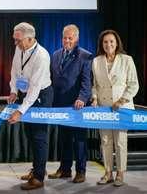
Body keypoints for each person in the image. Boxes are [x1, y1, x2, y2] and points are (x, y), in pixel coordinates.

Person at [7, 22, 53, 190]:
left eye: (18, 40)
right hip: (26, 93)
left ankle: (39, 178)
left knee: (39, 136)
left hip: (41, 95)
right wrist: (13, 91)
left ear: (30, 39)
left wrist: (19, 111)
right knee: (30, 134)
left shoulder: (42, 55)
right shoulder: (19, 48)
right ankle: (37, 169)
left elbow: (34, 88)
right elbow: (14, 71)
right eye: (15, 40)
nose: (15, 43)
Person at [92, 29, 139, 187]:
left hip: (121, 107)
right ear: (102, 44)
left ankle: (120, 173)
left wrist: (121, 101)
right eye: (105, 42)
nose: (108, 44)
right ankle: (107, 173)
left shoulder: (127, 60)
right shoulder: (96, 61)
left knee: (120, 141)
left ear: (117, 42)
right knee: (105, 141)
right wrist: (94, 98)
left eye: (111, 41)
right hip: (103, 108)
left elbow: (133, 85)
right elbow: (95, 85)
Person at [48, 24, 93, 183]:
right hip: (60, 105)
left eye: (70, 38)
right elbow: (52, 80)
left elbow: (87, 83)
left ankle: (81, 171)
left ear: (77, 39)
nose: (67, 40)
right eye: (65, 37)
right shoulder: (55, 55)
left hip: (77, 106)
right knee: (64, 138)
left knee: (79, 140)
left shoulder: (85, 56)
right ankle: (65, 169)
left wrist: (82, 98)